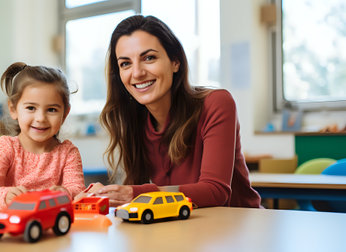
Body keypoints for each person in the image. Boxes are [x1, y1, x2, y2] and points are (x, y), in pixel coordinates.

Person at [84, 15, 261, 208]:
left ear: (175, 61)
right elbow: (139, 198)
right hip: (185, 228)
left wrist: (133, 193)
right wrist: (103, 196)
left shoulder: (216, 103)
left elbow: (215, 191)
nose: (137, 73)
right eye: (125, 63)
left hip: (240, 227)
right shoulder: (134, 120)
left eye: (149, 58)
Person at [0, 62, 85, 210]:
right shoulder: (6, 146)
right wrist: (5, 195)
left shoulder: (68, 153)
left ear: (64, 114)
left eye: (51, 109)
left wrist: (67, 193)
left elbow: (77, 189)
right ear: (13, 109)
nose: (40, 118)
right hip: (16, 221)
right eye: (31, 108)